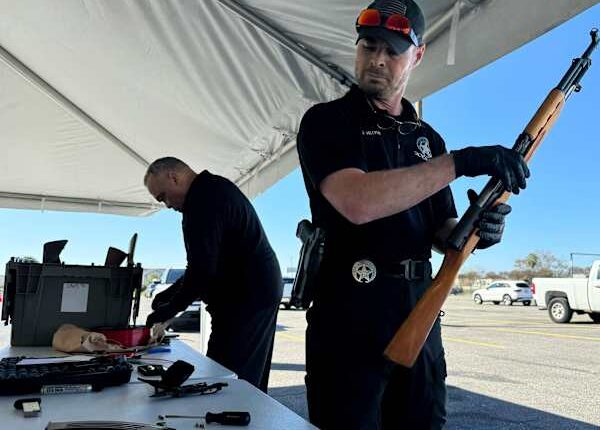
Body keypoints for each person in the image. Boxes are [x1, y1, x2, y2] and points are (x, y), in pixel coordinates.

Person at [296, 0, 530, 428]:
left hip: (418, 309)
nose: (377, 60)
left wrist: (478, 227)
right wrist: (460, 162)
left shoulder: (428, 139)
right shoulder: (327, 121)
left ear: (417, 56)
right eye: (368, 46)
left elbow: (442, 230)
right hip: (348, 313)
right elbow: (357, 202)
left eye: (392, 50)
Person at [143, 157, 283, 392]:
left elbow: (202, 270)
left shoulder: (203, 200)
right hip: (253, 292)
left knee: (229, 379)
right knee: (240, 374)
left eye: (163, 196)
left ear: (173, 178)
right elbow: (203, 264)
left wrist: (168, 310)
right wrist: (168, 296)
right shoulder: (212, 189)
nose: (166, 205)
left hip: (247, 297)